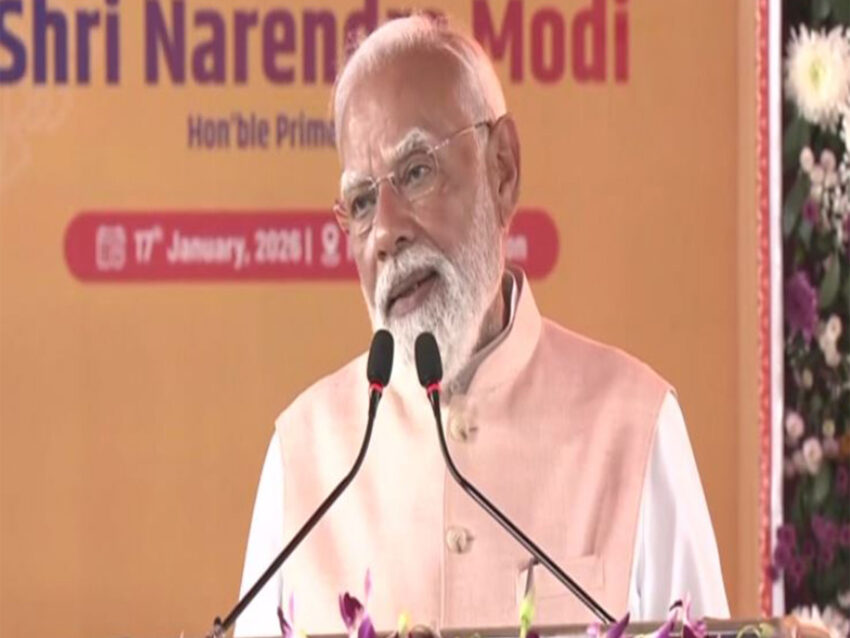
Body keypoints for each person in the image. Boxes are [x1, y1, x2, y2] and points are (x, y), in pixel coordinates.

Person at [235, 14, 729, 637]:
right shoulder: (304, 455)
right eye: (361, 202)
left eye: (416, 171)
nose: (385, 231)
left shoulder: (634, 425)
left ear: (502, 169)